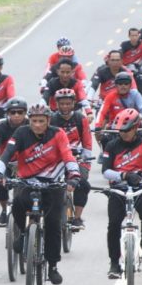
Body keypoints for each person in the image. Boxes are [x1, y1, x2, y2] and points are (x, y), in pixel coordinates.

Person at [0, 104, 81, 285]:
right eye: (34, 121)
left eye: (41, 121)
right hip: (27, 182)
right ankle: (23, 234)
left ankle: (53, 266)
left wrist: (73, 176)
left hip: (53, 184)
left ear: (48, 121)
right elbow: (7, 153)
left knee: (53, 224)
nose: (37, 125)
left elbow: (68, 156)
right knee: (18, 203)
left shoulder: (58, 134)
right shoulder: (21, 133)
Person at [100, 109, 142, 279]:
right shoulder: (111, 146)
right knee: (114, 225)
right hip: (118, 190)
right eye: (120, 131)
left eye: (127, 130)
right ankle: (114, 264)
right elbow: (105, 172)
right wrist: (123, 175)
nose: (123, 133)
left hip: (140, 189)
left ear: (136, 127)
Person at [50, 89, 92, 230]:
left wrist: (85, 162)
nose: (65, 107)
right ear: (57, 104)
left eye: (68, 103)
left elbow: (87, 143)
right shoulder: (51, 119)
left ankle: (77, 218)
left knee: (83, 184)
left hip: (77, 158)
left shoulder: (81, 119)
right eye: (62, 104)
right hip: (56, 159)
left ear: (74, 103)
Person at [0, 97, 29, 227]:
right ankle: (4, 210)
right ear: (8, 113)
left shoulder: (32, 125)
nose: (16, 115)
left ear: (25, 113)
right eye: (13, 112)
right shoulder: (0, 127)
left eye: (20, 112)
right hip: (6, 164)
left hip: (26, 165)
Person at [94, 72, 142, 149]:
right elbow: (102, 112)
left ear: (130, 85)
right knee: (106, 146)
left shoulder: (135, 95)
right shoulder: (110, 96)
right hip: (115, 130)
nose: (123, 86)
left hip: (133, 129)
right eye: (120, 83)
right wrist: (97, 126)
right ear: (116, 85)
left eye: (126, 83)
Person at [120, 28, 142, 92]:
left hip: (139, 63)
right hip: (128, 65)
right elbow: (119, 54)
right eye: (132, 35)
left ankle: (141, 92)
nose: (134, 37)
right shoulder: (124, 45)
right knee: (133, 74)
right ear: (129, 36)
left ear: (138, 36)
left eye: (136, 35)